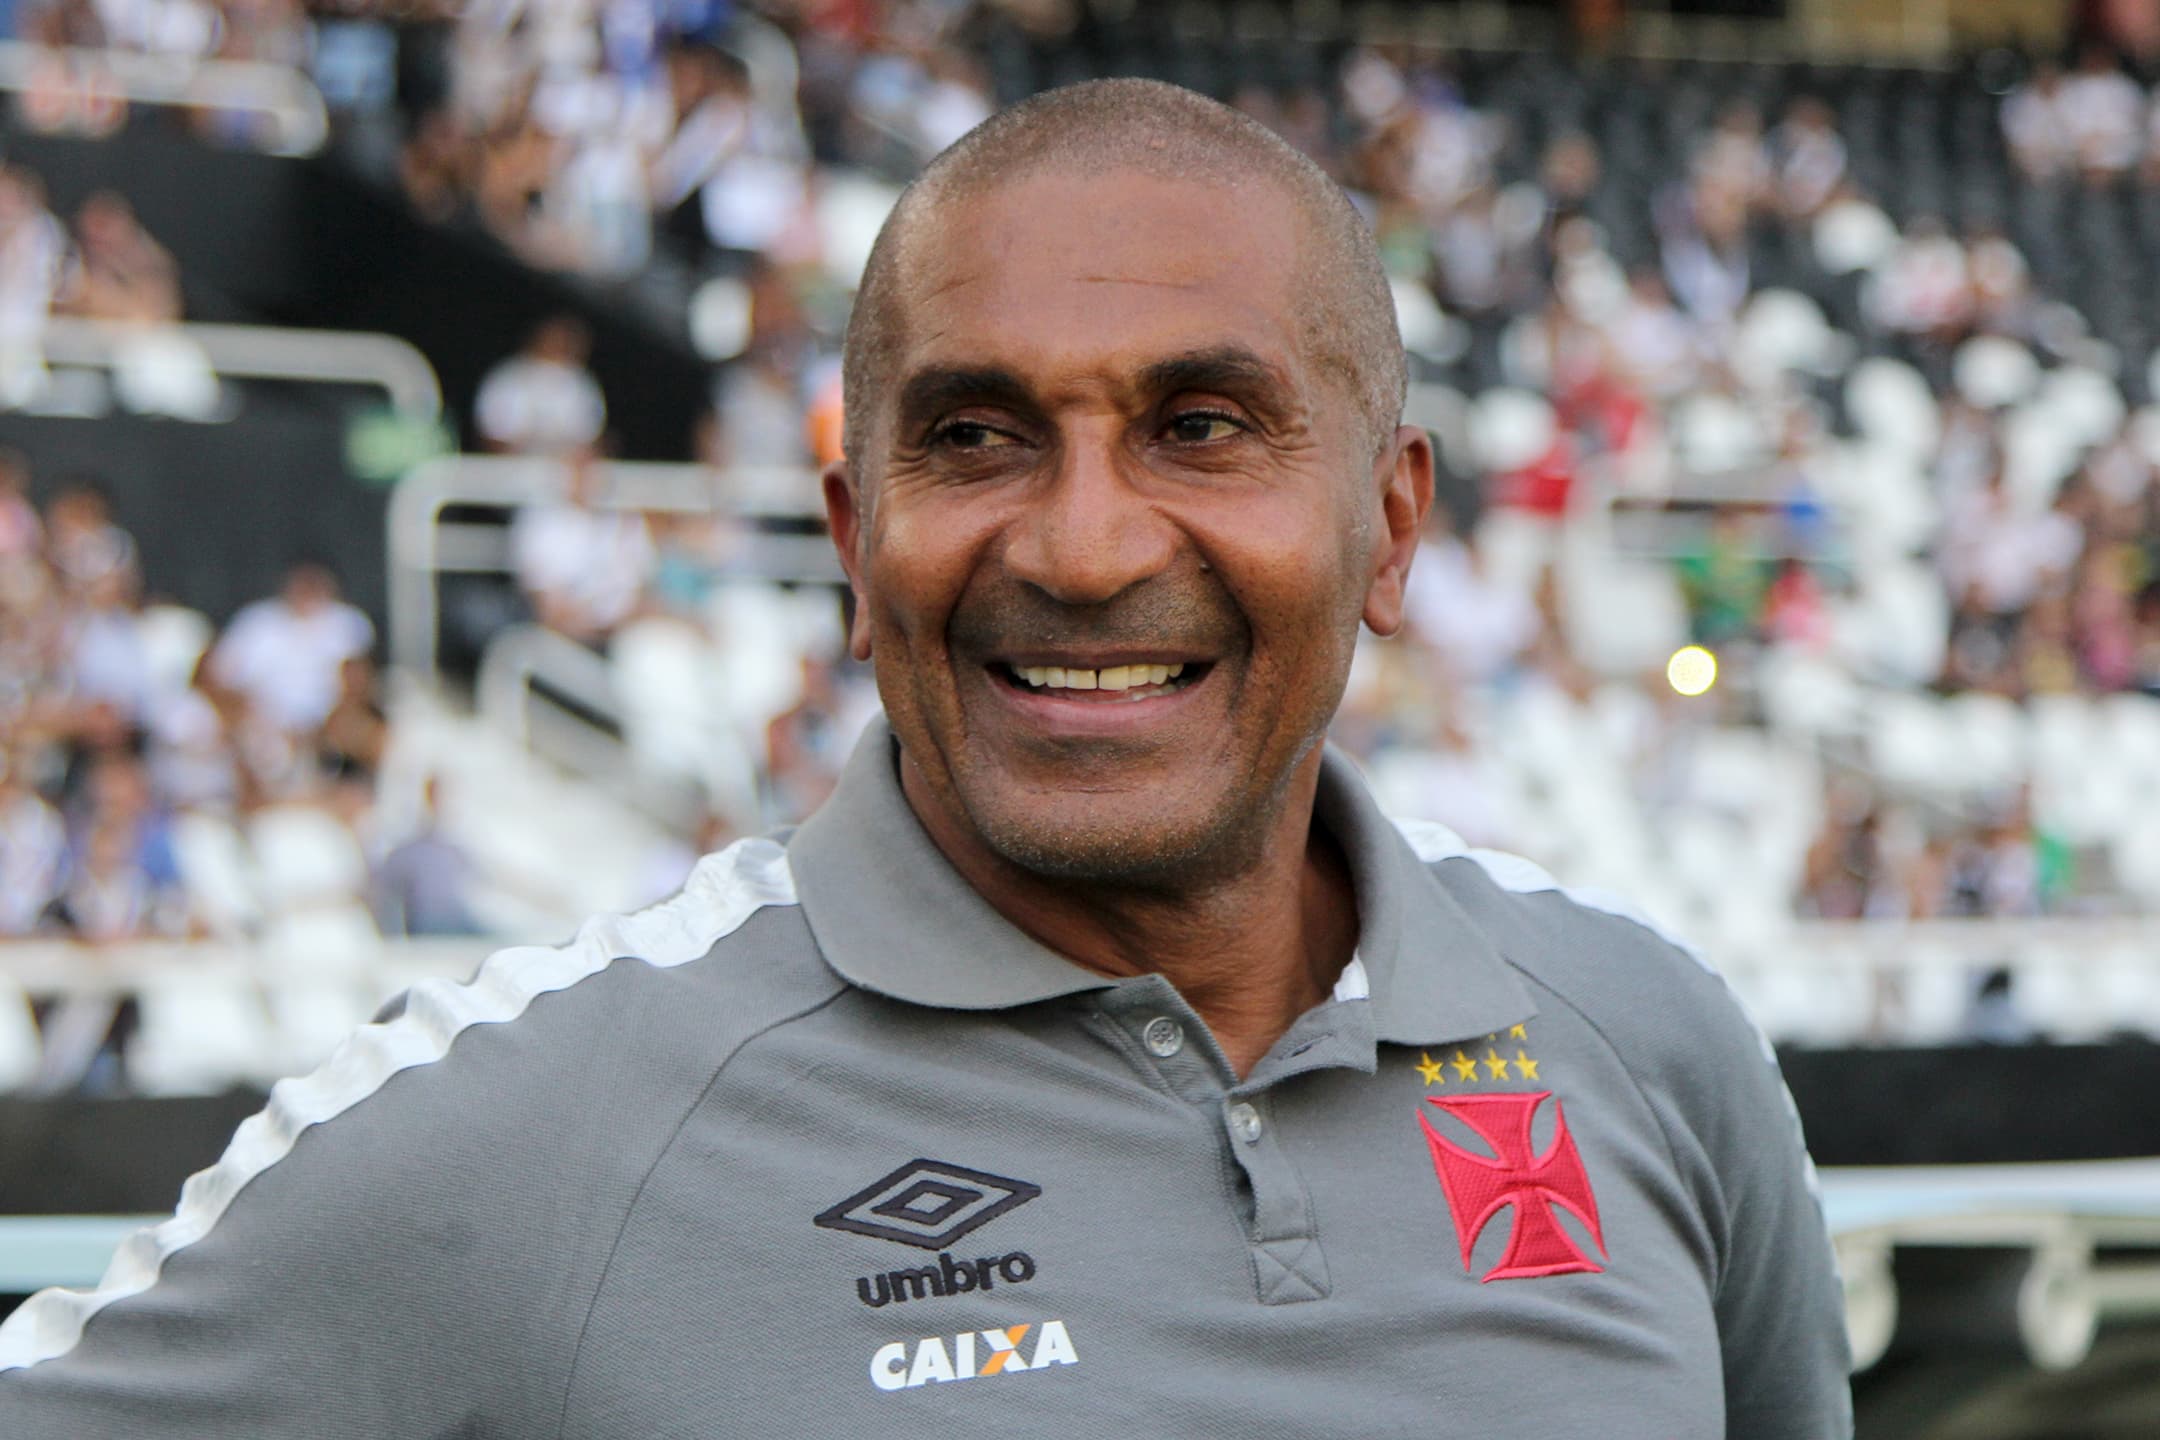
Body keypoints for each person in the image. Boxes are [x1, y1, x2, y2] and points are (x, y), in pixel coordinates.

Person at [0, 80, 1851, 1434]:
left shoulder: (1648, 1045)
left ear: (1392, 522)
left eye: (1203, 425)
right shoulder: (542, 1120)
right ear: (850, 544)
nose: (1085, 546)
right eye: (974, 439)